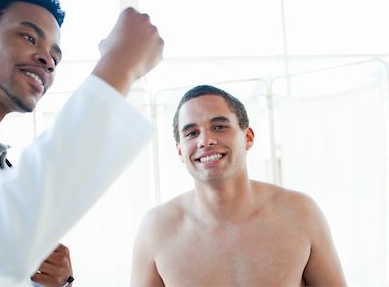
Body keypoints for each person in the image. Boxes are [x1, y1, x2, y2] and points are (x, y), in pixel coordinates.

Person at [0, 0, 163, 286]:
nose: (48, 60)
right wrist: (119, 65)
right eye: (30, 38)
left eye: (55, 57)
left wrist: (50, 282)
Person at [130, 85, 347, 286]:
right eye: (191, 133)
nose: (205, 141)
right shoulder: (157, 229)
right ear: (180, 150)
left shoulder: (299, 212)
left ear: (248, 137)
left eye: (219, 126)